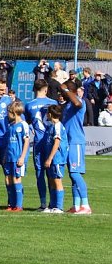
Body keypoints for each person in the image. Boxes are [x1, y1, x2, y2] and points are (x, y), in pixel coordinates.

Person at [24, 79, 57, 211]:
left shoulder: (29, 105)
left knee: (40, 173)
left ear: (34, 89)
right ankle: (53, 203)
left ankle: (43, 203)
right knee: (52, 174)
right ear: (46, 89)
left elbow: (27, 123)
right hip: (51, 142)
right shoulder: (53, 103)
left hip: (38, 143)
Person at [60, 81, 91, 214]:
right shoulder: (67, 105)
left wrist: (66, 90)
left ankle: (86, 205)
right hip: (68, 142)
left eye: (62, 92)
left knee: (75, 173)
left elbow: (77, 103)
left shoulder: (78, 101)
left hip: (76, 142)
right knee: (72, 176)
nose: (60, 94)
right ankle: (76, 206)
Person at [3, 101, 31, 211]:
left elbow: (27, 141)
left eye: (8, 112)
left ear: (13, 112)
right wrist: (5, 155)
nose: (7, 115)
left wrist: (22, 157)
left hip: (18, 157)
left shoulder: (23, 125)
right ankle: (11, 204)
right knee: (8, 180)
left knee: (16, 180)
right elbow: (9, 143)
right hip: (9, 157)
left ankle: (18, 205)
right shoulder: (11, 126)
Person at [42, 105, 67, 214]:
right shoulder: (52, 126)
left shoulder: (57, 126)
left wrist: (50, 158)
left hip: (57, 158)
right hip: (52, 159)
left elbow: (57, 142)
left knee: (57, 181)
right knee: (52, 181)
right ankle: (52, 205)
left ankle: (59, 207)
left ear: (50, 114)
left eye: (47, 113)